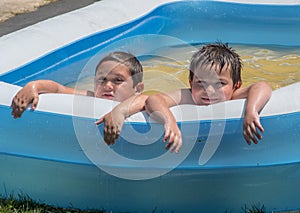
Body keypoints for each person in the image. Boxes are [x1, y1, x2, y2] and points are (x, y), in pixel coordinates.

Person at [98, 42, 272, 153]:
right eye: (200, 82)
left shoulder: (233, 96)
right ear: (190, 81)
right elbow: (152, 99)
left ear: (236, 85)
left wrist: (251, 110)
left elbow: (262, 86)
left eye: (219, 83)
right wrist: (169, 121)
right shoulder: (187, 95)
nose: (209, 90)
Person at [11, 51, 145, 121]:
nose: (108, 86)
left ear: (137, 89)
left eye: (117, 80)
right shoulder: (90, 96)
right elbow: (58, 89)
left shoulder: (137, 102)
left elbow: (146, 100)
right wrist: (34, 86)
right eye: (102, 79)